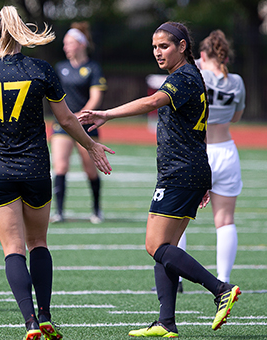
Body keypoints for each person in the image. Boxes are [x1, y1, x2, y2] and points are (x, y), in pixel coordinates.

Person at [0, 6, 113, 340]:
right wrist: (92, 146)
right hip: (35, 167)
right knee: (39, 242)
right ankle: (47, 315)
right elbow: (67, 120)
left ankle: (30, 323)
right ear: (21, 36)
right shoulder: (41, 69)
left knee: (13, 249)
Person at [79, 22, 241, 337]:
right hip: (187, 169)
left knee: (155, 245)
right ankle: (166, 321)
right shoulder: (188, 76)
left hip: (180, 171)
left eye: (164, 46)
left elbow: (153, 102)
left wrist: (106, 114)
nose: (158, 52)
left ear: (182, 46)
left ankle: (220, 289)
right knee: (165, 246)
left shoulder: (183, 77)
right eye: (154, 47)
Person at [198, 29, 245, 284]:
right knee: (225, 220)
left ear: (203, 54)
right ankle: (224, 280)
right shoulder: (236, 81)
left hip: (198, 152)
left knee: (178, 217)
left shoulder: (198, 74)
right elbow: (236, 117)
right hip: (227, 151)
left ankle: (177, 280)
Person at [51, 21, 108, 224]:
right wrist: (66, 118)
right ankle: (58, 212)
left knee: (90, 169)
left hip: (85, 124)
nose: (66, 47)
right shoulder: (60, 68)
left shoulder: (93, 68)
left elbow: (95, 97)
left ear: (81, 44)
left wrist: (79, 116)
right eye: (65, 43)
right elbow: (54, 97)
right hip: (63, 125)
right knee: (60, 166)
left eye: (69, 43)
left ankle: (96, 210)